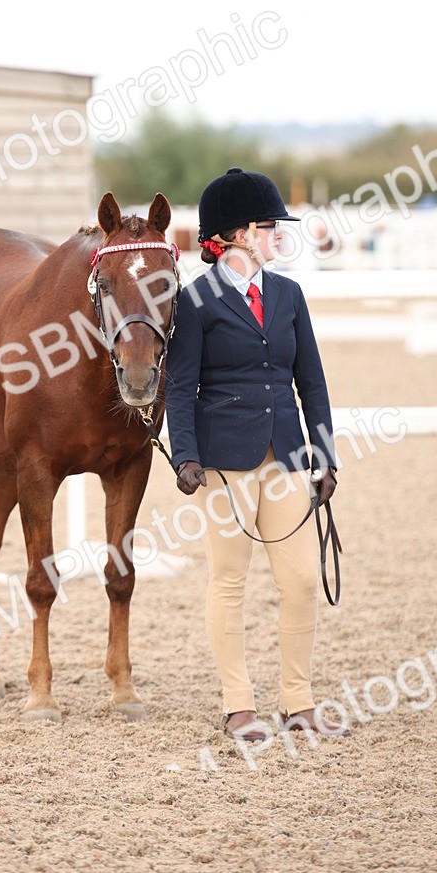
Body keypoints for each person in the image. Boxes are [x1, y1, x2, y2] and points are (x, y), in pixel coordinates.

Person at [165, 168, 350, 741]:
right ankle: (238, 704)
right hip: (223, 460)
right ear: (242, 234)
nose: (278, 237)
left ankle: (299, 701)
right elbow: (181, 385)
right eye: (270, 227)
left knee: (297, 580)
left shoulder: (289, 295)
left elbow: (311, 381)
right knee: (229, 579)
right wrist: (185, 455)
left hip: (287, 454)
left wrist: (325, 455)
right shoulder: (196, 301)